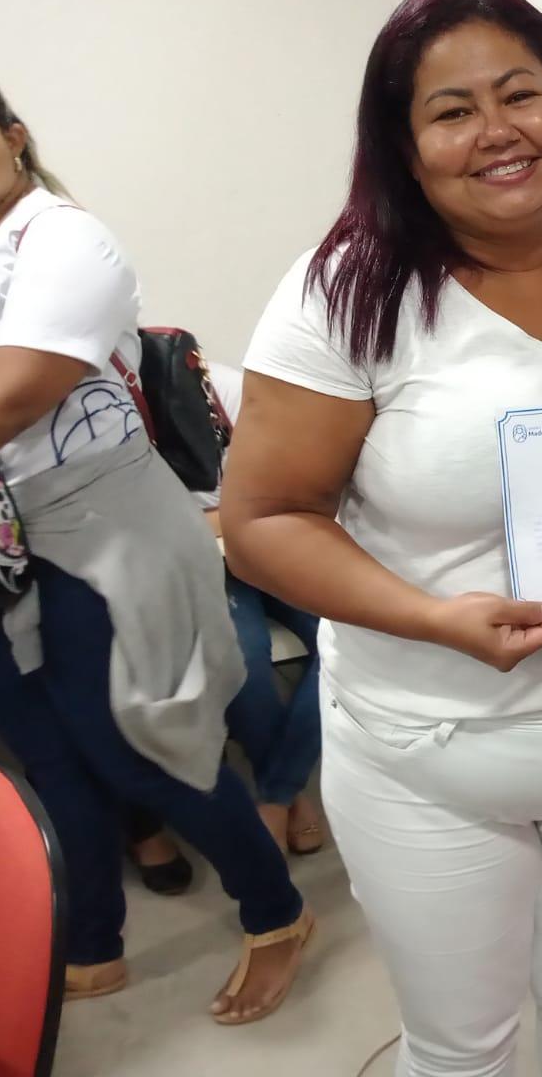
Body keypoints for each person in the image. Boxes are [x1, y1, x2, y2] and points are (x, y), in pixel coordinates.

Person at [221, 0, 542, 1077]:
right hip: (431, 752)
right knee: (463, 1049)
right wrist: (434, 617)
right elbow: (262, 520)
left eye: (522, 94)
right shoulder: (342, 295)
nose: (497, 132)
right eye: (452, 111)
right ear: (405, 148)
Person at [0, 64, 314, 1023]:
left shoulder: (63, 238)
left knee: (140, 752)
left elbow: (15, 398)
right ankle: (92, 939)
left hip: (100, 534)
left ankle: (275, 912)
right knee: (45, 759)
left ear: (15, 134)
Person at [199, 359, 327, 856]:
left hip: (266, 541)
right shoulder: (109, 414)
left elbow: (280, 485)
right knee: (242, 657)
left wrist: (229, 513)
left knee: (340, 640)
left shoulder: (219, 385)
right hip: (201, 560)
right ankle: (291, 797)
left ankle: (275, 794)